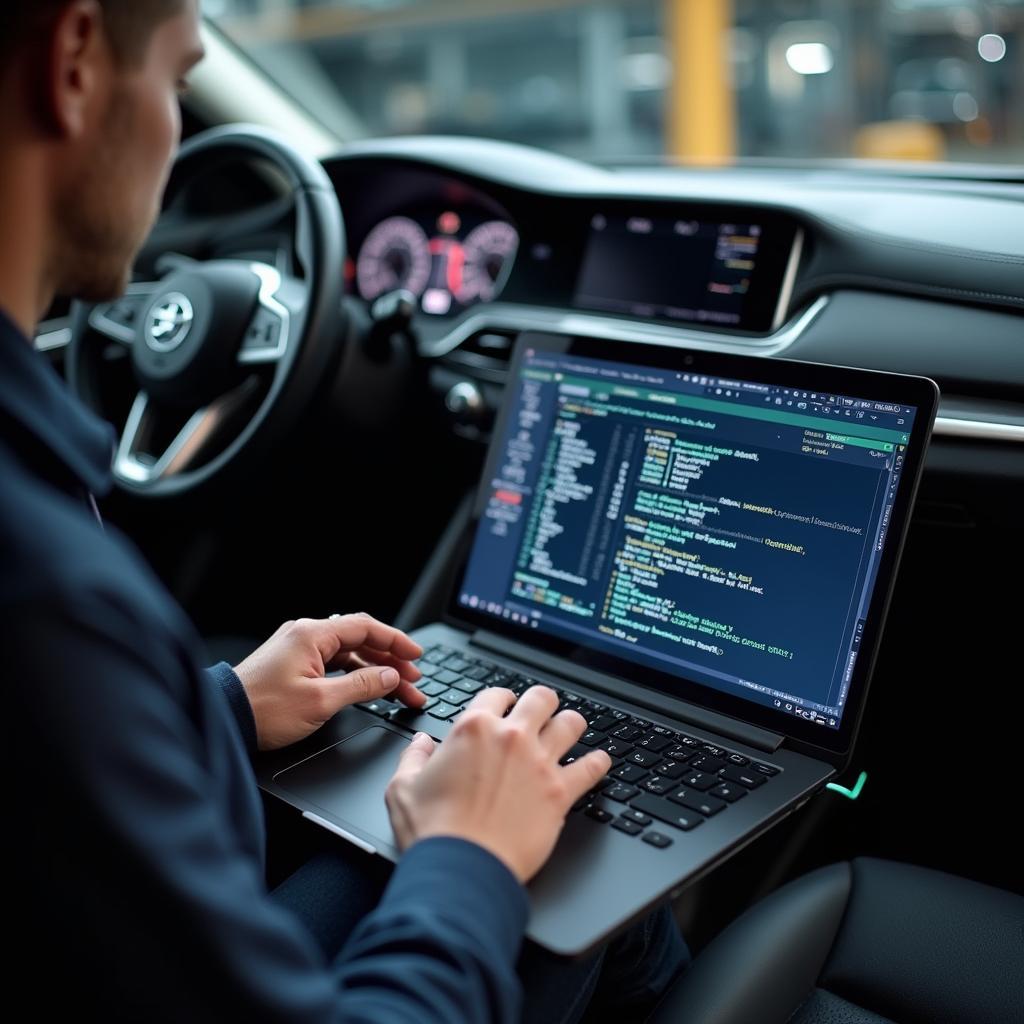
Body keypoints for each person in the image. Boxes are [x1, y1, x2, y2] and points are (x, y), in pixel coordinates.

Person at [1, 2, 690, 1020]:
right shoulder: (45, 590)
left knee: (518, 772)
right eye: (180, 81)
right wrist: (467, 856)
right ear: (73, 63)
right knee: (557, 823)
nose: (173, 132)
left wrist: (222, 712)